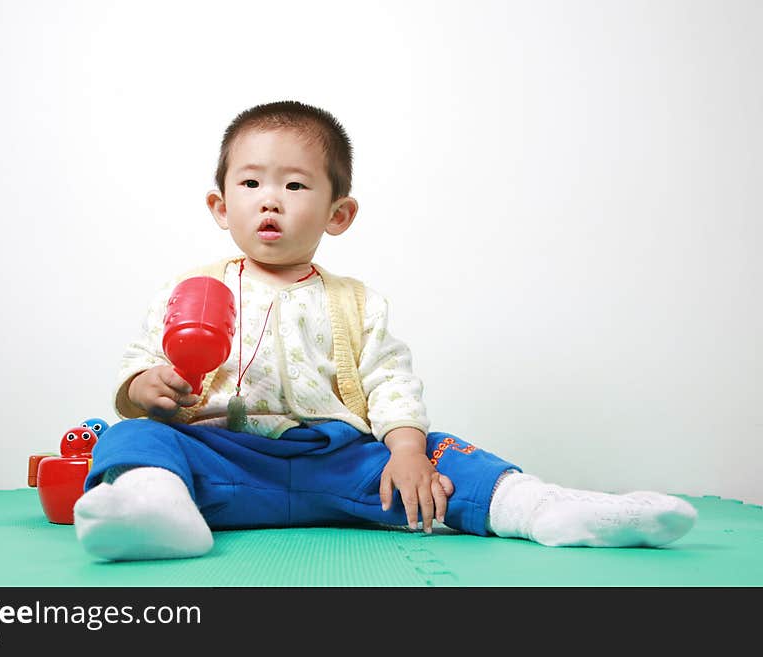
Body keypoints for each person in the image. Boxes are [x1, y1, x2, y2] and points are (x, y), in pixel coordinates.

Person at [73, 100, 697, 561]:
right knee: (134, 438)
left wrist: (403, 450)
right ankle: (153, 510)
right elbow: (139, 366)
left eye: (294, 185)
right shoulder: (190, 289)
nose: (270, 200)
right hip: (223, 457)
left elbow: (391, 382)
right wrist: (146, 385)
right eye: (251, 183)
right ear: (220, 206)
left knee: (437, 453)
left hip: (337, 460)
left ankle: (541, 508)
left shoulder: (358, 302)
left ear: (337, 213)